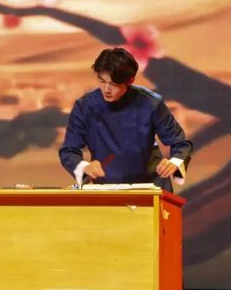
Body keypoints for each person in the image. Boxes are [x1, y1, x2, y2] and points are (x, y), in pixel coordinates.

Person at [59, 47, 193, 191]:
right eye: (102, 81)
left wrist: (174, 162)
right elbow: (69, 150)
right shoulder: (85, 106)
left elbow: (180, 143)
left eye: (114, 84)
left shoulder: (151, 103)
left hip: (151, 184)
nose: (106, 89)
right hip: (105, 186)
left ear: (130, 81)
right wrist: (84, 166)